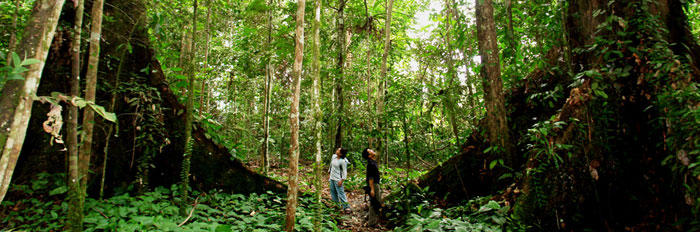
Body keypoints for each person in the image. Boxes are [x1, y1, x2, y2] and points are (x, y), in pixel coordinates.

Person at [362, 148, 382, 226]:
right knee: (375, 203)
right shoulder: (370, 164)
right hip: (374, 185)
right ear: (369, 155)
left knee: (375, 201)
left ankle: (369, 217)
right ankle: (372, 222)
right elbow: (370, 177)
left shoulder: (373, 162)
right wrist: (372, 189)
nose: (372, 150)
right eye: (370, 150)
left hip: (376, 184)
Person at [329, 147, 351, 213]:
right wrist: (329, 173)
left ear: (341, 154)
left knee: (341, 193)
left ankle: (346, 207)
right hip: (332, 178)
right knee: (333, 193)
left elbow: (344, 172)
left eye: (338, 150)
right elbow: (331, 166)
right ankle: (336, 206)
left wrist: (341, 180)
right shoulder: (334, 157)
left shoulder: (342, 161)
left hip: (338, 179)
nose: (337, 150)